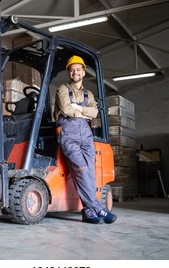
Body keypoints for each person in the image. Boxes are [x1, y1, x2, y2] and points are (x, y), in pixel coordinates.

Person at [54, 55, 117, 224]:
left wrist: (79, 108)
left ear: (83, 71)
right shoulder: (62, 89)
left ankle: (88, 212)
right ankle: (99, 209)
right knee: (81, 171)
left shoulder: (89, 93)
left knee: (89, 173)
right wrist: (83, 112)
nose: (76, 72)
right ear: (69, 72)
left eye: (79, 69)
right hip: (69, 136)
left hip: (86, 136)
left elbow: (95, 113)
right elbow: (67, 109)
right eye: (72, 69)